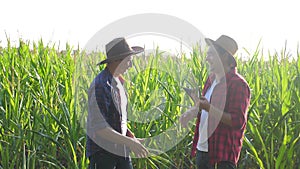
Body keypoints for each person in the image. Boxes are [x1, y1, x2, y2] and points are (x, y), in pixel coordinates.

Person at [180, 35, 251, 169]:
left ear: (224, 56)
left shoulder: (238, 85)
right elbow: (204, 106)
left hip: (221, 156)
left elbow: (237, 121)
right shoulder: (211, 79)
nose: (207, 58)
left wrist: (208, 108)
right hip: (203, 150)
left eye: (211, 54)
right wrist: (192, 112)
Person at [86, 37, 149, 169]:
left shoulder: (118, 83)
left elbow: (116, 119)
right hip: (104, 155)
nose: (131, 66)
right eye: (128, 61)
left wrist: (130, 136)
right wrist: (131, 143)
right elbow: (100, 128)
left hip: (121, 152)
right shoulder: (101, 86)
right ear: (116, 61)